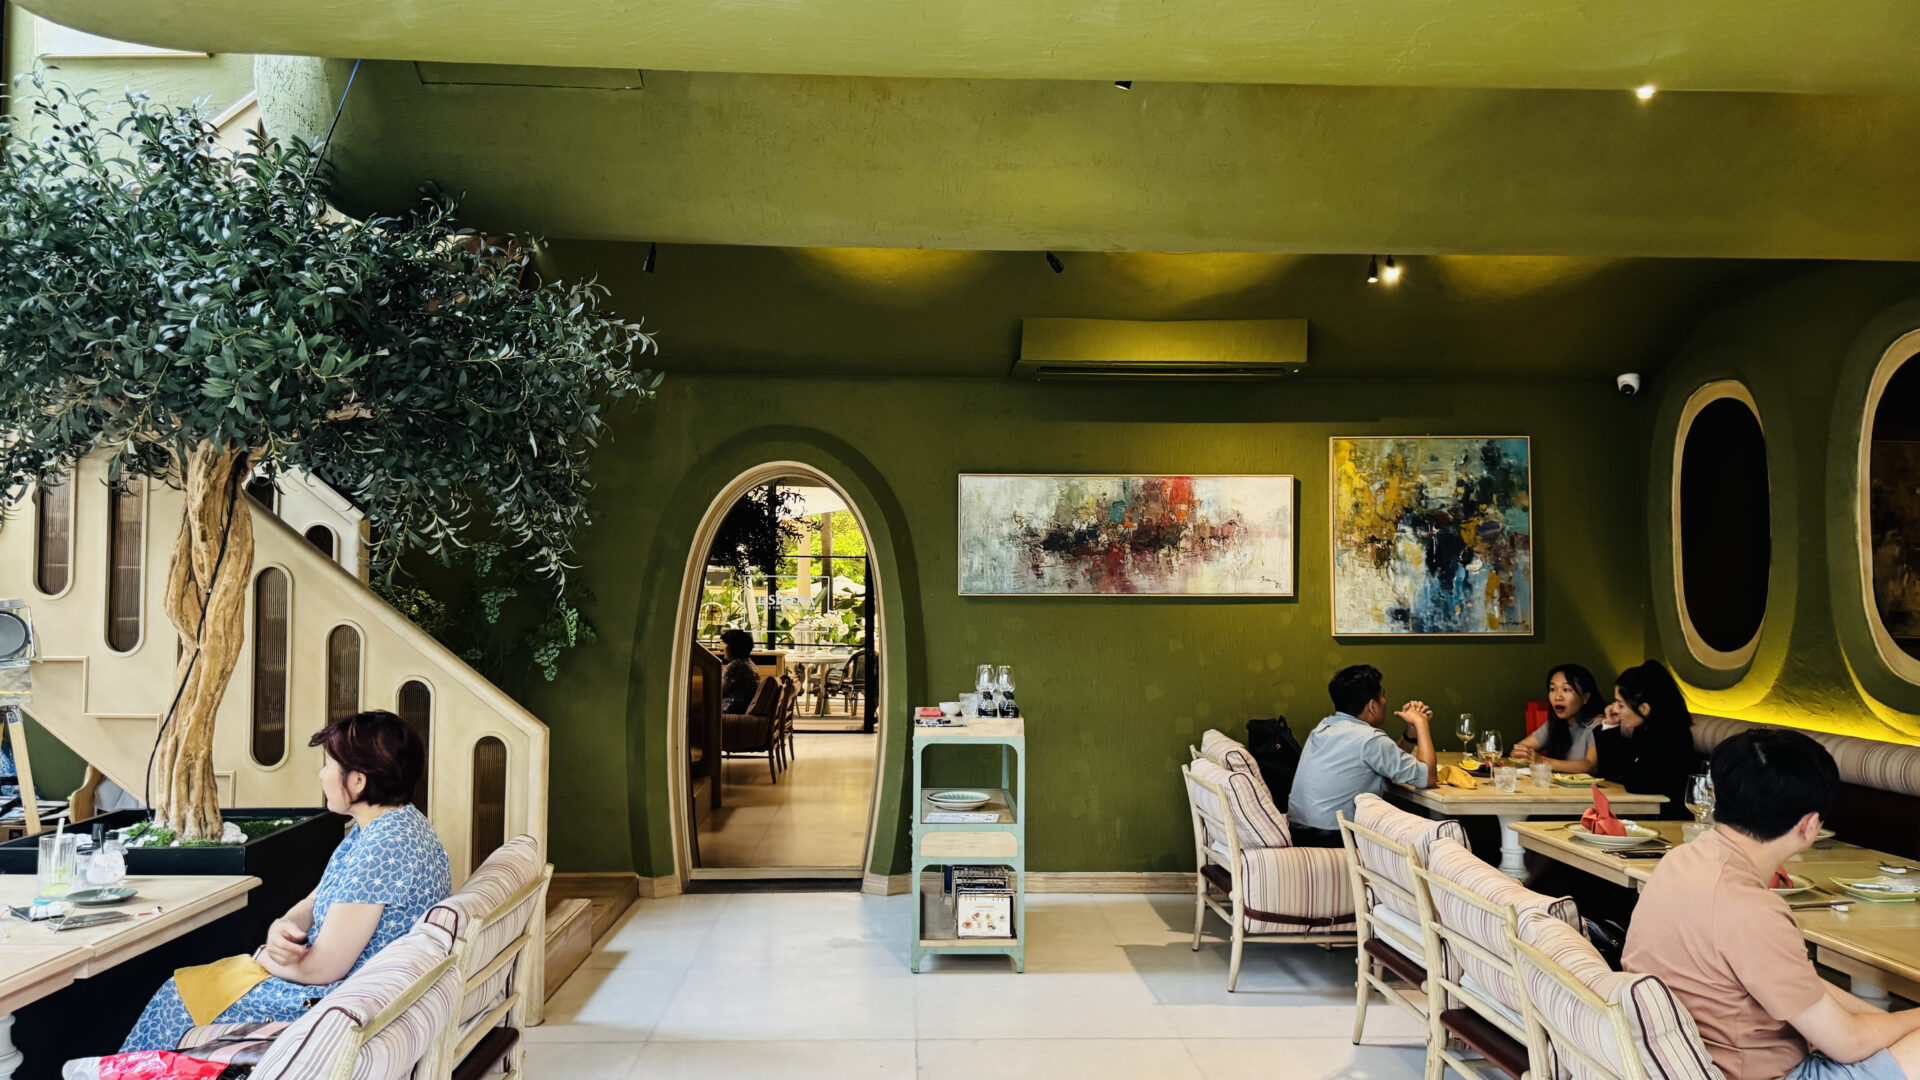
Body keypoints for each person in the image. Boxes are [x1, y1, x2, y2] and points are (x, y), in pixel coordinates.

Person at [121, 711, 451, 1052]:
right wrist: (284, 926)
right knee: (197, 983)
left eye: (328, 765)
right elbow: (315, 900)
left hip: (335, 1004)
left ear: (357, 781)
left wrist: (266, 956)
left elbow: (322, 968)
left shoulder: (382, 849)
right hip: (355, 992)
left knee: (179, 995)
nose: (321, 775)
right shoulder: (391, 825)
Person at [1624, 729, 1920, 1080]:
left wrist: (1884, 1021)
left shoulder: (1680, 860)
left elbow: (1799, 985)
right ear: (1810, 825)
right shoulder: (1750, 907)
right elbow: (1848, 1044)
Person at [1285, 664, 1435, 847]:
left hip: (1300, 833)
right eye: (1382, 695)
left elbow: (1388, 765)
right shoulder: (1369, 738)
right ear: (1372, 706)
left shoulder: (1323, 728)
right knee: (1421, 837)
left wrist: (1411, 733)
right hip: (1337, 838)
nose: (1385, 701)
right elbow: (1428, 777)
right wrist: (1421, 723)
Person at [1593, 660, 1698, 819]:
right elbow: (1610, 771)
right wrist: (1610, 725)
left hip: (1668, 820)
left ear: (1644, 708)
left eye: (1620, 705)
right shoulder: (1645, 731)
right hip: (1645, 815)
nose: (1614, 709)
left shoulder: (1671, 736)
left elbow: (1636, 783)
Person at [1511, 663, 1604, 773]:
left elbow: (1590, 766)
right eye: (1552, 689)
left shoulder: (1598, 724)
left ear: (1585, 697)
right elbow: (1516, 752)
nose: (1557, 697)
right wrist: (1526, 755)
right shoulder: (1555, 724)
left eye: (1566, 689)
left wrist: (1542, 761)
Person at [718, 628, 762, 714]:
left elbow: (717, 692)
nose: (723, 648)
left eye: (725, 644)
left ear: (734, 647)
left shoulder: (735, 666)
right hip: (742, 709)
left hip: (731, 711)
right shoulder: (749, 663)